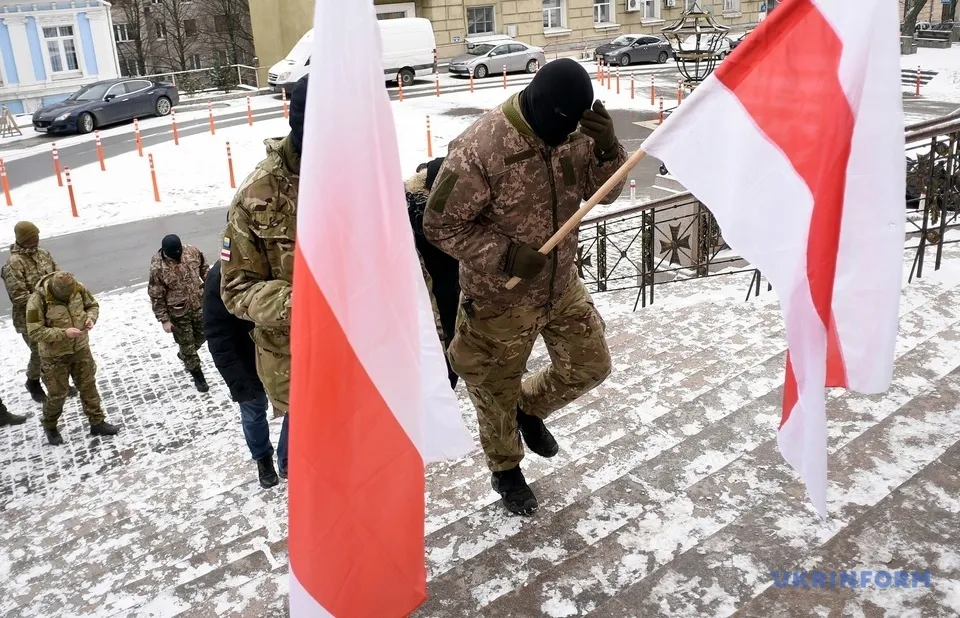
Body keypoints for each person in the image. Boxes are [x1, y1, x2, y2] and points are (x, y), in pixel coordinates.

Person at [423, 59, 626, 515]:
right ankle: (505, 469)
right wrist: (505, 255)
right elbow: (440, 225)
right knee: (493, 391)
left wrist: (607, 147)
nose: (564, 136)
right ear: (535, 103)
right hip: (499, 298)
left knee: (590, 365)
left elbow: (605, 191)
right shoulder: (480, 147)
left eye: (570, 127)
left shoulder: (578, 134)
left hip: (561, 286)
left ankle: (529, 409)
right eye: (558, 126)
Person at [220, 74, 306, 435]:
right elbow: (236, 289)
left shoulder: (365, 178)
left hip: (369, 359)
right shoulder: (258, 195)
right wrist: (304, 303)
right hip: (298, 364)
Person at [203, 260, 289, 486]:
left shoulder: (278, 261)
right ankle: (263, 458)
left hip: (283, 360)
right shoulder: (219, 277)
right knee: (253, 413)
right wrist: (236, 379)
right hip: (247, 364)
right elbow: (217, 334)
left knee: (295, 411)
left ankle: (288, 459)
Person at [25, 271, 120, 445]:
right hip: (54, 356)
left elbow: (92, 305)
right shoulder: (36, 301)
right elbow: (34, 331)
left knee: (88, 386)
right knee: (57, 394)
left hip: (80, 349)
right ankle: (50, 426)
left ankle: (97, 422)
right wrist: (63, 333)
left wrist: (91, 318)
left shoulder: (78, 288)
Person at [2, 221, 77, 402]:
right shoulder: (13, 264)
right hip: (29, 317)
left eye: (37, 236)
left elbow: (58, 276)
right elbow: (19, 298)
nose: (36, 240)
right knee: (40, 352)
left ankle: (49, 382)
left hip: (51, 313)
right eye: (32, 237)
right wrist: (47, 300)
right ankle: (37, 383)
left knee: (52, 349)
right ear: (23, 239)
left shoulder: (43, 254)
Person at [406, 157, 461, 389]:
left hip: (450, 307)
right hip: (433, 315)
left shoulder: (412, 211)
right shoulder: (421, 220)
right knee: (442, 375)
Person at [148, 234, 210, 392]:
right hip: (178, 312)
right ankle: (197, 374)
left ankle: (185, 355)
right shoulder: (157, 266)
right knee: (187, 344)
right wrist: (164, 320)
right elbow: (156, 294)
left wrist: (211, 289)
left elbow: (205, 270)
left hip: (199, 304)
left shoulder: (192, 252)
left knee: (204, 335)